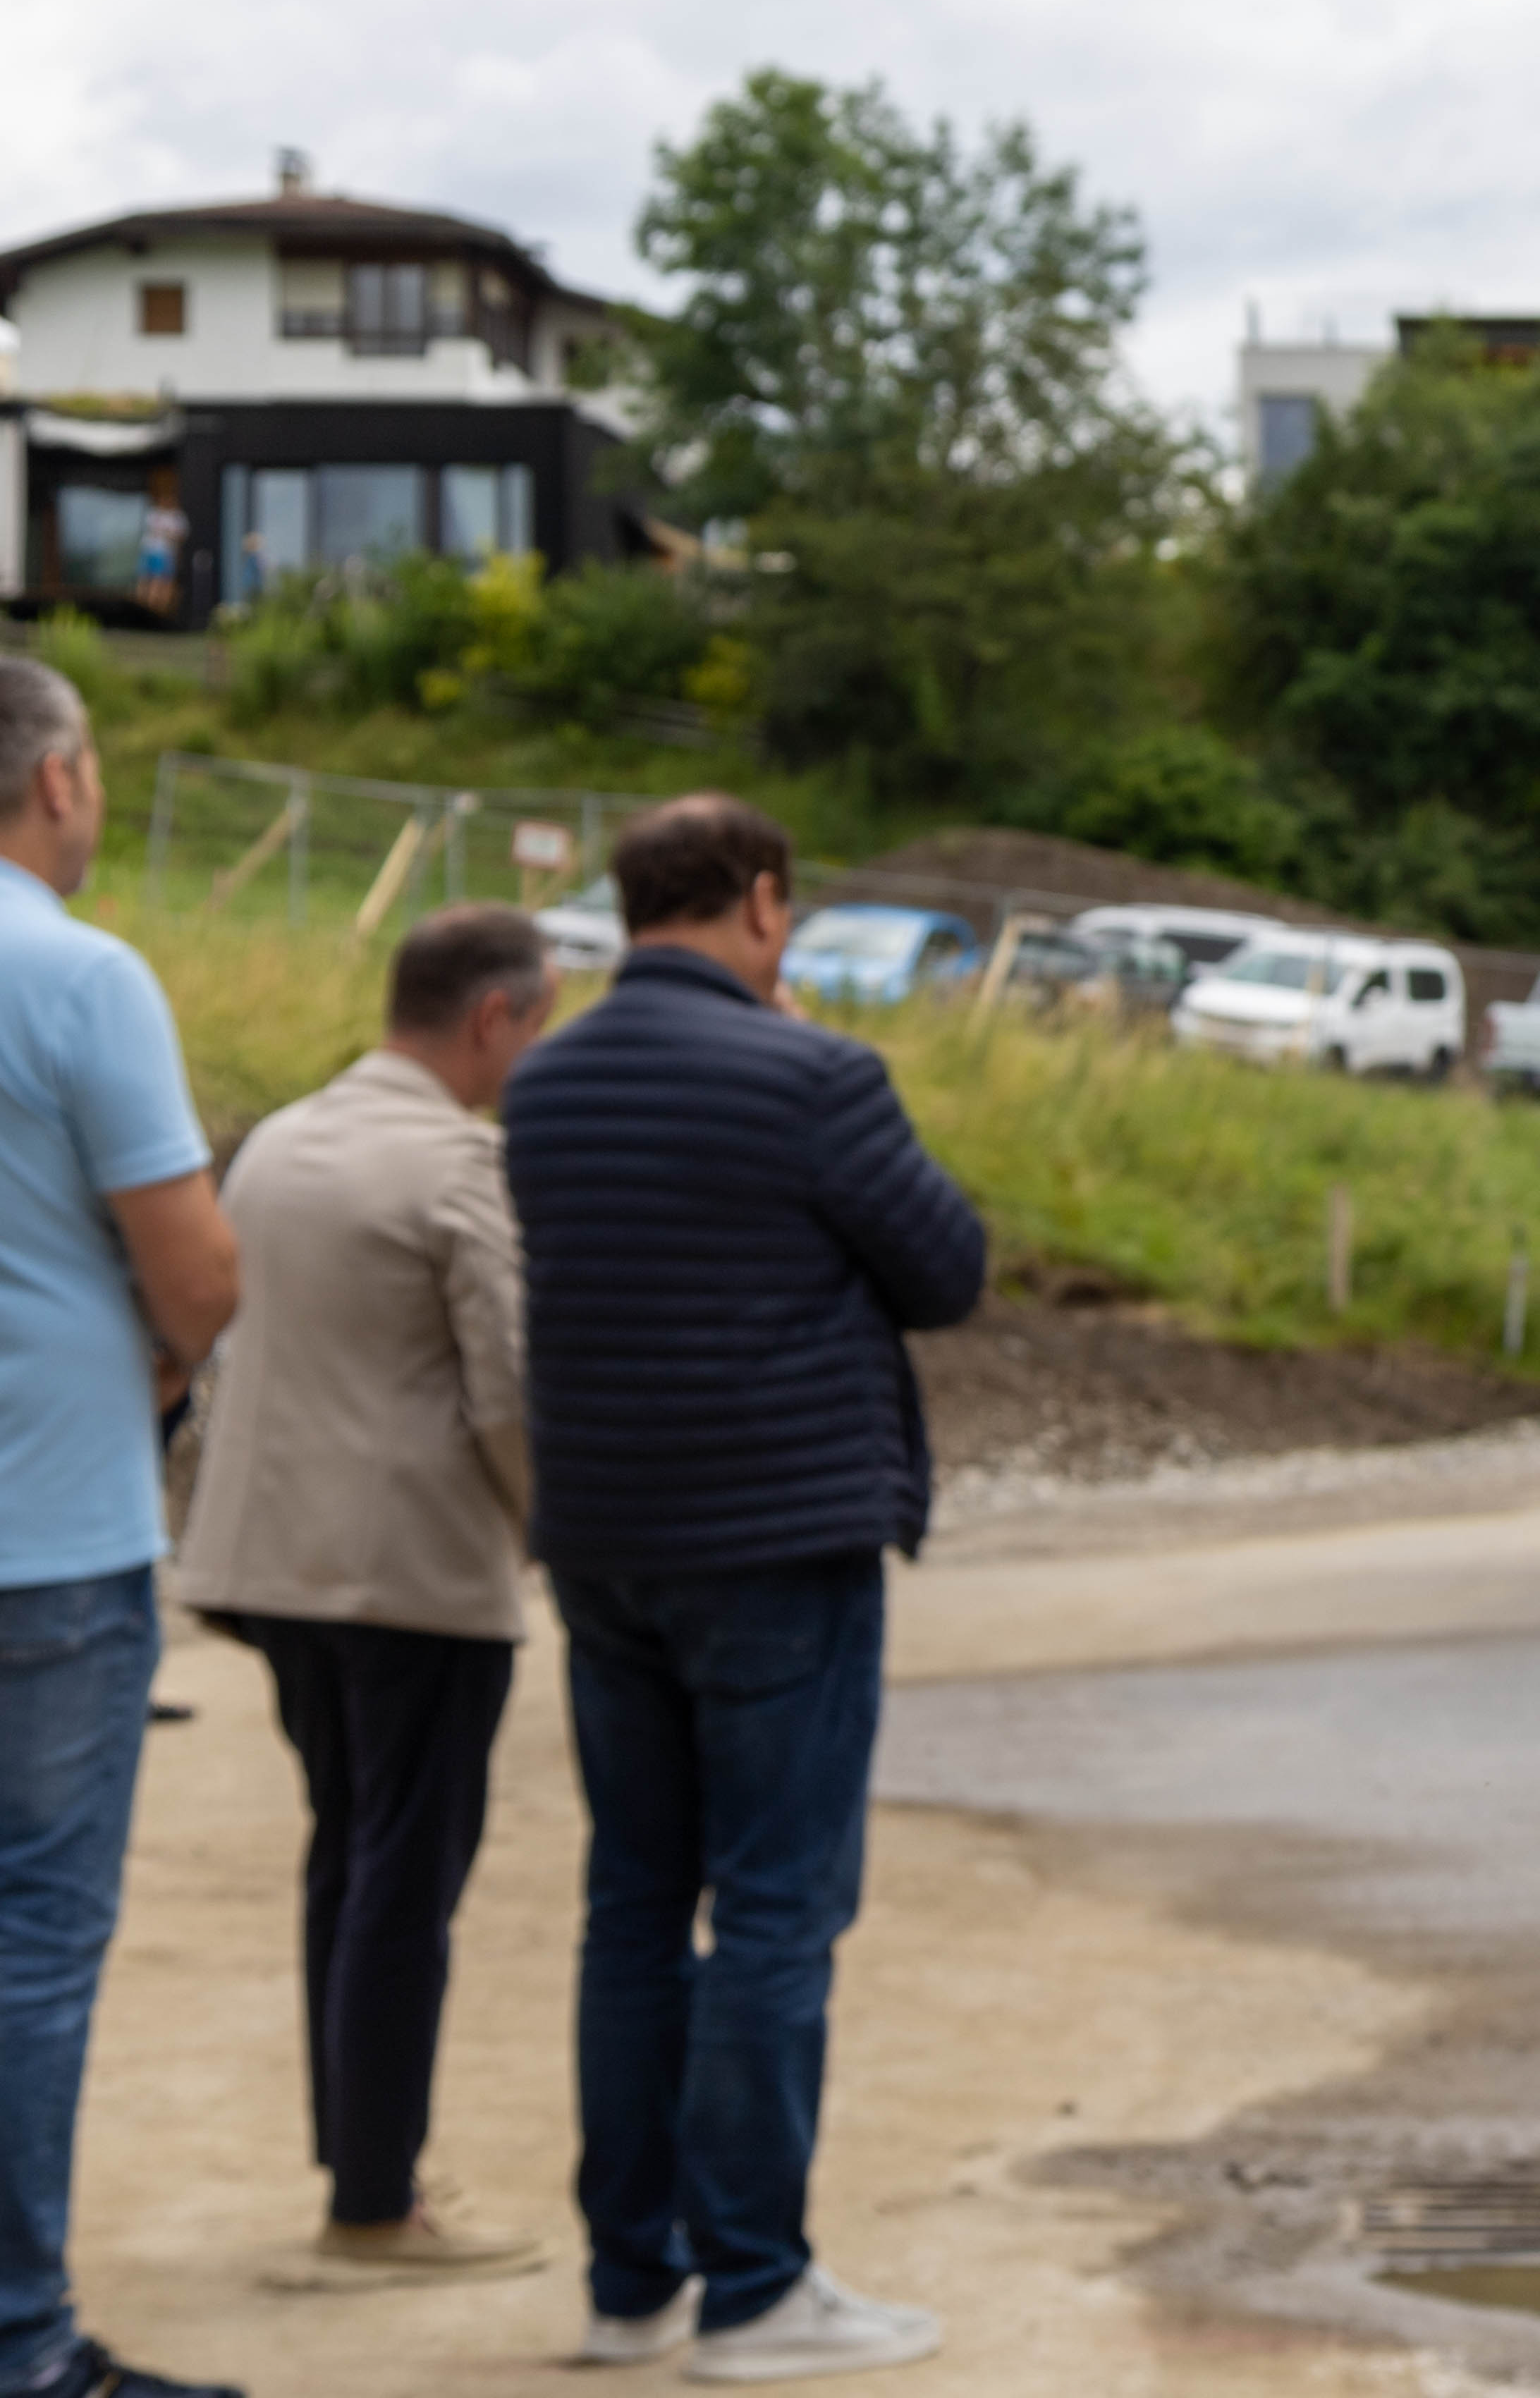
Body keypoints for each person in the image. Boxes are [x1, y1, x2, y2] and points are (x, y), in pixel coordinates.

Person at [501, 797, 984, 2384]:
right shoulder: (815, 1076)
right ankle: (758, 2286)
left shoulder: (545, 1079)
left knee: (633, 1903)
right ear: (765, 905)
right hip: (779, 1544)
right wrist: (808, 1046)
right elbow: (946, 1268)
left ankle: (629, 2279)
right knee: (777, 1907)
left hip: (605, 1540)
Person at [172, 906, 558, 2292]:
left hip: (272, 1567)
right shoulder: (463, 1168)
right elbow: (510, 1382)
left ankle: (363, 2161)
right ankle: (377, 2199)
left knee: (346, 1855)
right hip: (413, 1575)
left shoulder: (282, 1135)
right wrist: (551, 1526)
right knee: (406, 1876)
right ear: (495, 1017)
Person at [0, 656, 248, 2398]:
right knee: (29, 1940)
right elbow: (201, 1268)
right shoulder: (79, 976)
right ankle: (18, 2339)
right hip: (47, 1530)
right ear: (61, 779)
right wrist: (162, 1352)